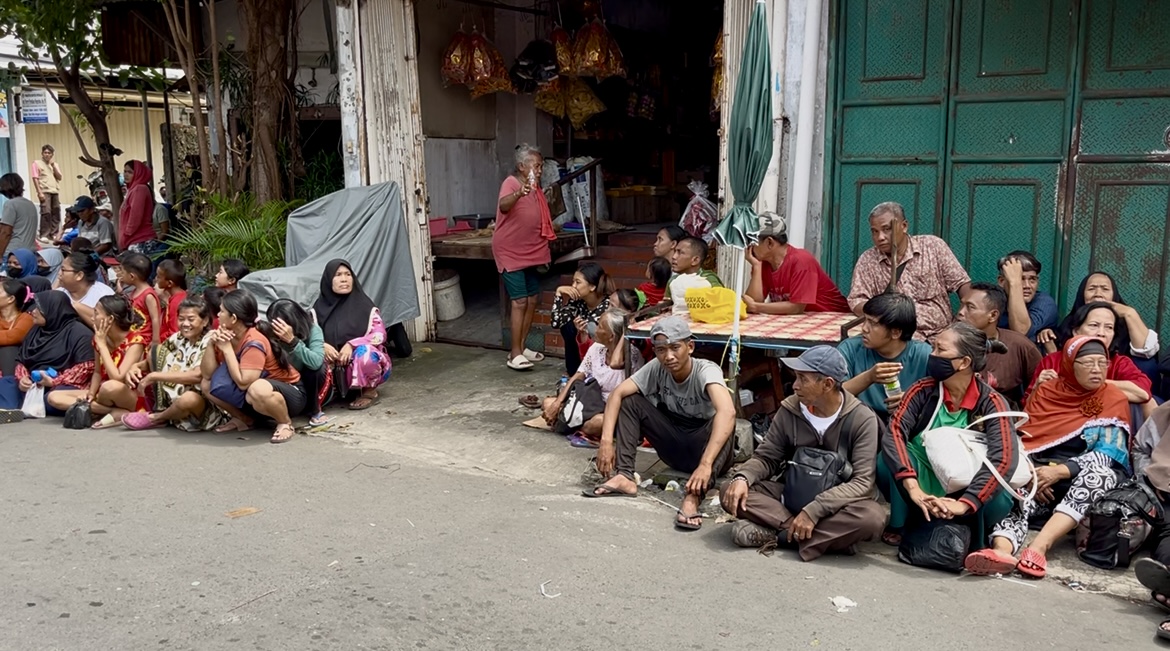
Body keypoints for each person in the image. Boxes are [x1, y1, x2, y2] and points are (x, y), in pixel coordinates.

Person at [967, 337, 1131, 579]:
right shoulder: (1047, 391)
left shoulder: (1113, 397)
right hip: (1043, 476)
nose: (1096, 370)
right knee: (1018, 489)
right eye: (1087, 363)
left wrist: (1059, 472)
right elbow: (1024, 440)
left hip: (1082, 482)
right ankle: (1001, 551)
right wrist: (1032, 472)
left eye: (1102, 363)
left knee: (1100, 474)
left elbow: (1109, 454)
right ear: (1069, 364)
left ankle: (1038, 548)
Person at [721, 346, 887, 559]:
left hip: (835, 505)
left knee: (872, 519)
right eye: (796, 377)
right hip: (790, 493)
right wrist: (743, 477)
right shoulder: (790, 409)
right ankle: (821, 538)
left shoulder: (861, 419)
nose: (795, 385)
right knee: (730, 491)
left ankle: (778, 535)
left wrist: (815, 510)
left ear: (827, 384)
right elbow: (767, 457)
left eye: (803, 379)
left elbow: (862, 482)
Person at [583, 317, 736, 532]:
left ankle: (692, 497)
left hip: (706, 448)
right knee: (630, 401)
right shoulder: (657, 368)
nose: (669, 356)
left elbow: (728, 411)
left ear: (690, 346)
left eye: (675, 348)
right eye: (661, 350)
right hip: (674, 443)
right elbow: (617, 394)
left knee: (727, 422)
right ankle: (624, 476)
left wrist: (705, 464)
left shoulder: (705, 370)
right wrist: (607, 442)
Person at [878, 322, 1017, 552]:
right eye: (933, 348)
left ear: (964, 363)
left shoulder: (992, 402)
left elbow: (1004, 458)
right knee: (886, 461)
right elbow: (895, 432)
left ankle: (969, 529)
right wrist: (913, 487)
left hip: (967, 483)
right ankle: (901, 523)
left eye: (940, 350)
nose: (932, 355)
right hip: (922, 476)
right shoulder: (921, 390)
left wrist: (965, 503)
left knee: (1000, 498)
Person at [847, 202, 971, 341]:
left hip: (942, 334)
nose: (880, 237)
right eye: (874, 231)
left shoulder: (933, 246)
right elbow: (856, 300)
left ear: (904, 226)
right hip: (898, 339)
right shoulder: (867, 260)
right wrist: (885, 312)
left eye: (886, 229)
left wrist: (965, 322)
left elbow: (962, 284)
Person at [201, 290, 306, 443]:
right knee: (207, 385)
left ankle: (285, 422)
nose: (218, 315)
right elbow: (207, 374)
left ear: (234, 318)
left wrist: (228, 350)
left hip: (291, 394)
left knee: (256, 389)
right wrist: (211, 345)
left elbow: (244, 383)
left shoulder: (254, 341)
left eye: (222, 311)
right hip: (254, 397)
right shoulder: (226, 334)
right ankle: (244, 419)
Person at [121, 295, 225, 432]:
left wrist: (154, 376)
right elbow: (153, 359)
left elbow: (197, 376)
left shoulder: (210, 339)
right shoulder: (178, 338)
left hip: (204, 406)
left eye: (191, 319)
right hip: (174, 398)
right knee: (156, 351)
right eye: (181, 319)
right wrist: (135, 367)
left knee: (189, 399)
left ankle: (158, 418)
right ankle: (164, 409)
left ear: (205, 321)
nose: (185, 324)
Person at [494, 144, 556, 372]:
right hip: (511, 251)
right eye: (536, 165)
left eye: (541, 166)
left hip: (532, 251)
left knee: (531, 299)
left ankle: (522, 346)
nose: (539, 170)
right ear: (522, 166)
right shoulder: (512, 183)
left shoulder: (536, 188)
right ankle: (514, 353)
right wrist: (519, 193)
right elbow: (503, 205)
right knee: (519, 301)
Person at [1026, 302, 1153, 413]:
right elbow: (1027, 406)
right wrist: (1038, 388)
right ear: (1076, 331)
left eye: (1109, 327)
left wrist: (1088, 383)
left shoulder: (1119, 362)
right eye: (1094, 325)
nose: (1101, 333)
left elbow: (1142, 392)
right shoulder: (1052, 361)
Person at [540, 310, 643, 442]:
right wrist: (557, 403)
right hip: (588, 402)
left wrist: (625, 333)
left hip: (610, 410)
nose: (595, 328)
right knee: (548, 403)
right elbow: (579, 375)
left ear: (611, 336)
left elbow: (615, 363)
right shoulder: (596, 348)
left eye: (600, 326)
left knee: (598, 423)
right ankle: (572, 422)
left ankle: (569, 422)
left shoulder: (631, 356)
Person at [52, 295, 148, 428]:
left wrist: (102, 345)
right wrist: (91, 394)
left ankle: (98, 410)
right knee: (54, 397)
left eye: (96, 313)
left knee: (110, 386)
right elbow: (97, 372)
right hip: (102, 394)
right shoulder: (99, 339)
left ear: (110, 319)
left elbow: (118, 378)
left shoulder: (135, 342)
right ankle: (111, 412)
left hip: (127, 393)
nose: (92, 317)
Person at [1044, 271, 1160, 379]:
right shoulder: (1070, 323)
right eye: (1091, 289)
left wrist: (1129, 313)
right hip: (1080, 381)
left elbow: (1146, 351)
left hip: (1121, 380)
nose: (1098, 294)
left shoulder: (1124, 321)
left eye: (1105, 289)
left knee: (1147, 365)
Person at [311, 260, 392, 411]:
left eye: (348, 274)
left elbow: (380, 335)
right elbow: (307, 337)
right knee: (312, 354)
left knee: (365, 354)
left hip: (355, 362)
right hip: (333, 366)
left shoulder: (365, 306)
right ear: (329, 280)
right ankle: (329, 392)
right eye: (338, 275)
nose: (344, 279)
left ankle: (369, 391)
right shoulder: (317, 310)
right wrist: (321, 345)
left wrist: (352, 344)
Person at [0, 292, 96, 420]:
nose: (33, 312)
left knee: (52, 398)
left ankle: (20, 406)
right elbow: (22, 360)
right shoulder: (36, 331)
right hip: (35, 383)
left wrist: (53, 381)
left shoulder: (79, 333)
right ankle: (9, 410)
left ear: (52, 310)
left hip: (62, 383)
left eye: (39, 309)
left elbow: (86, 367)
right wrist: (23, 378)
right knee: (7, 382)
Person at [839, 292, 930, 421]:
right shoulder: (850, 348)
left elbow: (941, 397)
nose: (864, 328)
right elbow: (832, 396)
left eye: (873, 323)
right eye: (865, 320)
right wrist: (869, 377)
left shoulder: (923, 355)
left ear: (896, 332)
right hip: (860, 424)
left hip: (908, 425)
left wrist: (912, 399)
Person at [744, 212, 849, 315]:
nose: (749, 247)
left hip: (833, 318)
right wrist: (756, 266)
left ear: (769, 243)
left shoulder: (802, 261)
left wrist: (756, 307)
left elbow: (796, 307)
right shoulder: (763, 262)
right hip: (800, 321)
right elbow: (752, 302)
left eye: (753, 242)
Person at [956, 282, 1041, 405]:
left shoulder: (1019, 345)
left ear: (993, 315)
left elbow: (1042, 388)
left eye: (970, 307)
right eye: (961, 305)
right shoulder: (948, 342)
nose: (961, 312)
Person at [1130, 402, 1170, 638]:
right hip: (1164, 492)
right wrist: (1150, 480)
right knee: (1168, 532)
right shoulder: (1166, 412)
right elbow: (1140, 449)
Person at [267, 298, 328, 426]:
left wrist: (293, 342)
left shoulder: (313, 330)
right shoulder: (272, 335)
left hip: (312, 382)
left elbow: (316, 361)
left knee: (316, 368)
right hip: (288, 381)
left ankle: (315, 410)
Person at [550, 262, 613, 375]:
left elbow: (595, 333)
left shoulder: (608, 303)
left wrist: (583, 329)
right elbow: (556, 322)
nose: (573, 286)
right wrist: (558, 293)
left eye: (578, 282)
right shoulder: (577, 301)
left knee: (590, 328)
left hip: (604, 356)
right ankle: (574, 371)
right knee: (567, 326)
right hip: (581, 351)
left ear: (592, 287)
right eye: (573, 281)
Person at [996, 251, 1058, 342]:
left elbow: (1021, 331)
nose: (1027, 286)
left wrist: (1015, 283)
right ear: (1002, 281)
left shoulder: (1044, 302)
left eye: (1032, 279)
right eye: (1021, 278)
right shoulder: (993, 300)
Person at [668, 237, 723, 317]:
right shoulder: (673, 281)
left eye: (680, 253)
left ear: (695, 260)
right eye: (675, 252)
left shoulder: (709, 279)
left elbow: (721, 303)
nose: (674, 256)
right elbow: (667, 303)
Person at [57, 251, 115, 327]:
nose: (59, 273)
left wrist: (78, 308)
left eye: (63, 270)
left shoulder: (104, 295)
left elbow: (111, 327)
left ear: (79, 275)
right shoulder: (59, 293)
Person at [119, 252, 161, 345]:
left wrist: (155, 340)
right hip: (134, 337)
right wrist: (120, 292)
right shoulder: (134, 292)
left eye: (122, 272)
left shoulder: (148, 295)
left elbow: (155, 318)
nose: (120, 275)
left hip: (144, 340)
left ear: (131, 276)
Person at [119, 160, 158, 253]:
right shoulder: (133, 190)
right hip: (136, 240)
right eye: (125, 171)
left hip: (140, 240)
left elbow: (135, 217)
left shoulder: (139, 189)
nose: (126, 175)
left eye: (130, 172)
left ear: (138, 173)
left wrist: (126, 234)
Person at [0, 279, 35, 376]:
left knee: (9, 349)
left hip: (13, 367)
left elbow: (14, 336)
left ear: (10, 299)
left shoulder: (26, 318)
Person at [0, 173, 40, 255]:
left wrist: (0, 254)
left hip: (13, 252)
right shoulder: (30, 204)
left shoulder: (10, 204)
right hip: (30, 251)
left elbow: (6, 232)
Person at [30, 145, 62, 243]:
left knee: (56, 211)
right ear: (42, 153)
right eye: (45, 152)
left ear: (52, 155)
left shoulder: (54, 164)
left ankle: (54, 233)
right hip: (44, 190)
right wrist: (39, 192)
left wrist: (53, 166)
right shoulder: (37, 163)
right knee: (46, 212)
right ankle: (44, 234)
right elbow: (35, 178)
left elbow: (59, 177)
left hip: (54, 191)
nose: (47, 155)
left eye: (49, 153)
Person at [155, 259, 187, 341]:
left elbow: (174, 332)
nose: (156, 279)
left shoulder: (176, 302)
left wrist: (158, 340)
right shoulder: (178, 296)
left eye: (158, 277)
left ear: (169, 283)